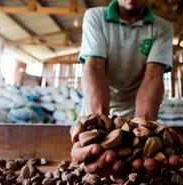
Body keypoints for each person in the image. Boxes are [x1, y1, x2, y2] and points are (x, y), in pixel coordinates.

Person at [70, 0, 182, 181]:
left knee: (137, 169)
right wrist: (99, 128)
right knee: (93, 166)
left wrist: (143, 132)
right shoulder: (95, 17)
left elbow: (152, 77)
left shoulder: (162, 27)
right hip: (98, 108)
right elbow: (95, 67)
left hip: (135, 112)